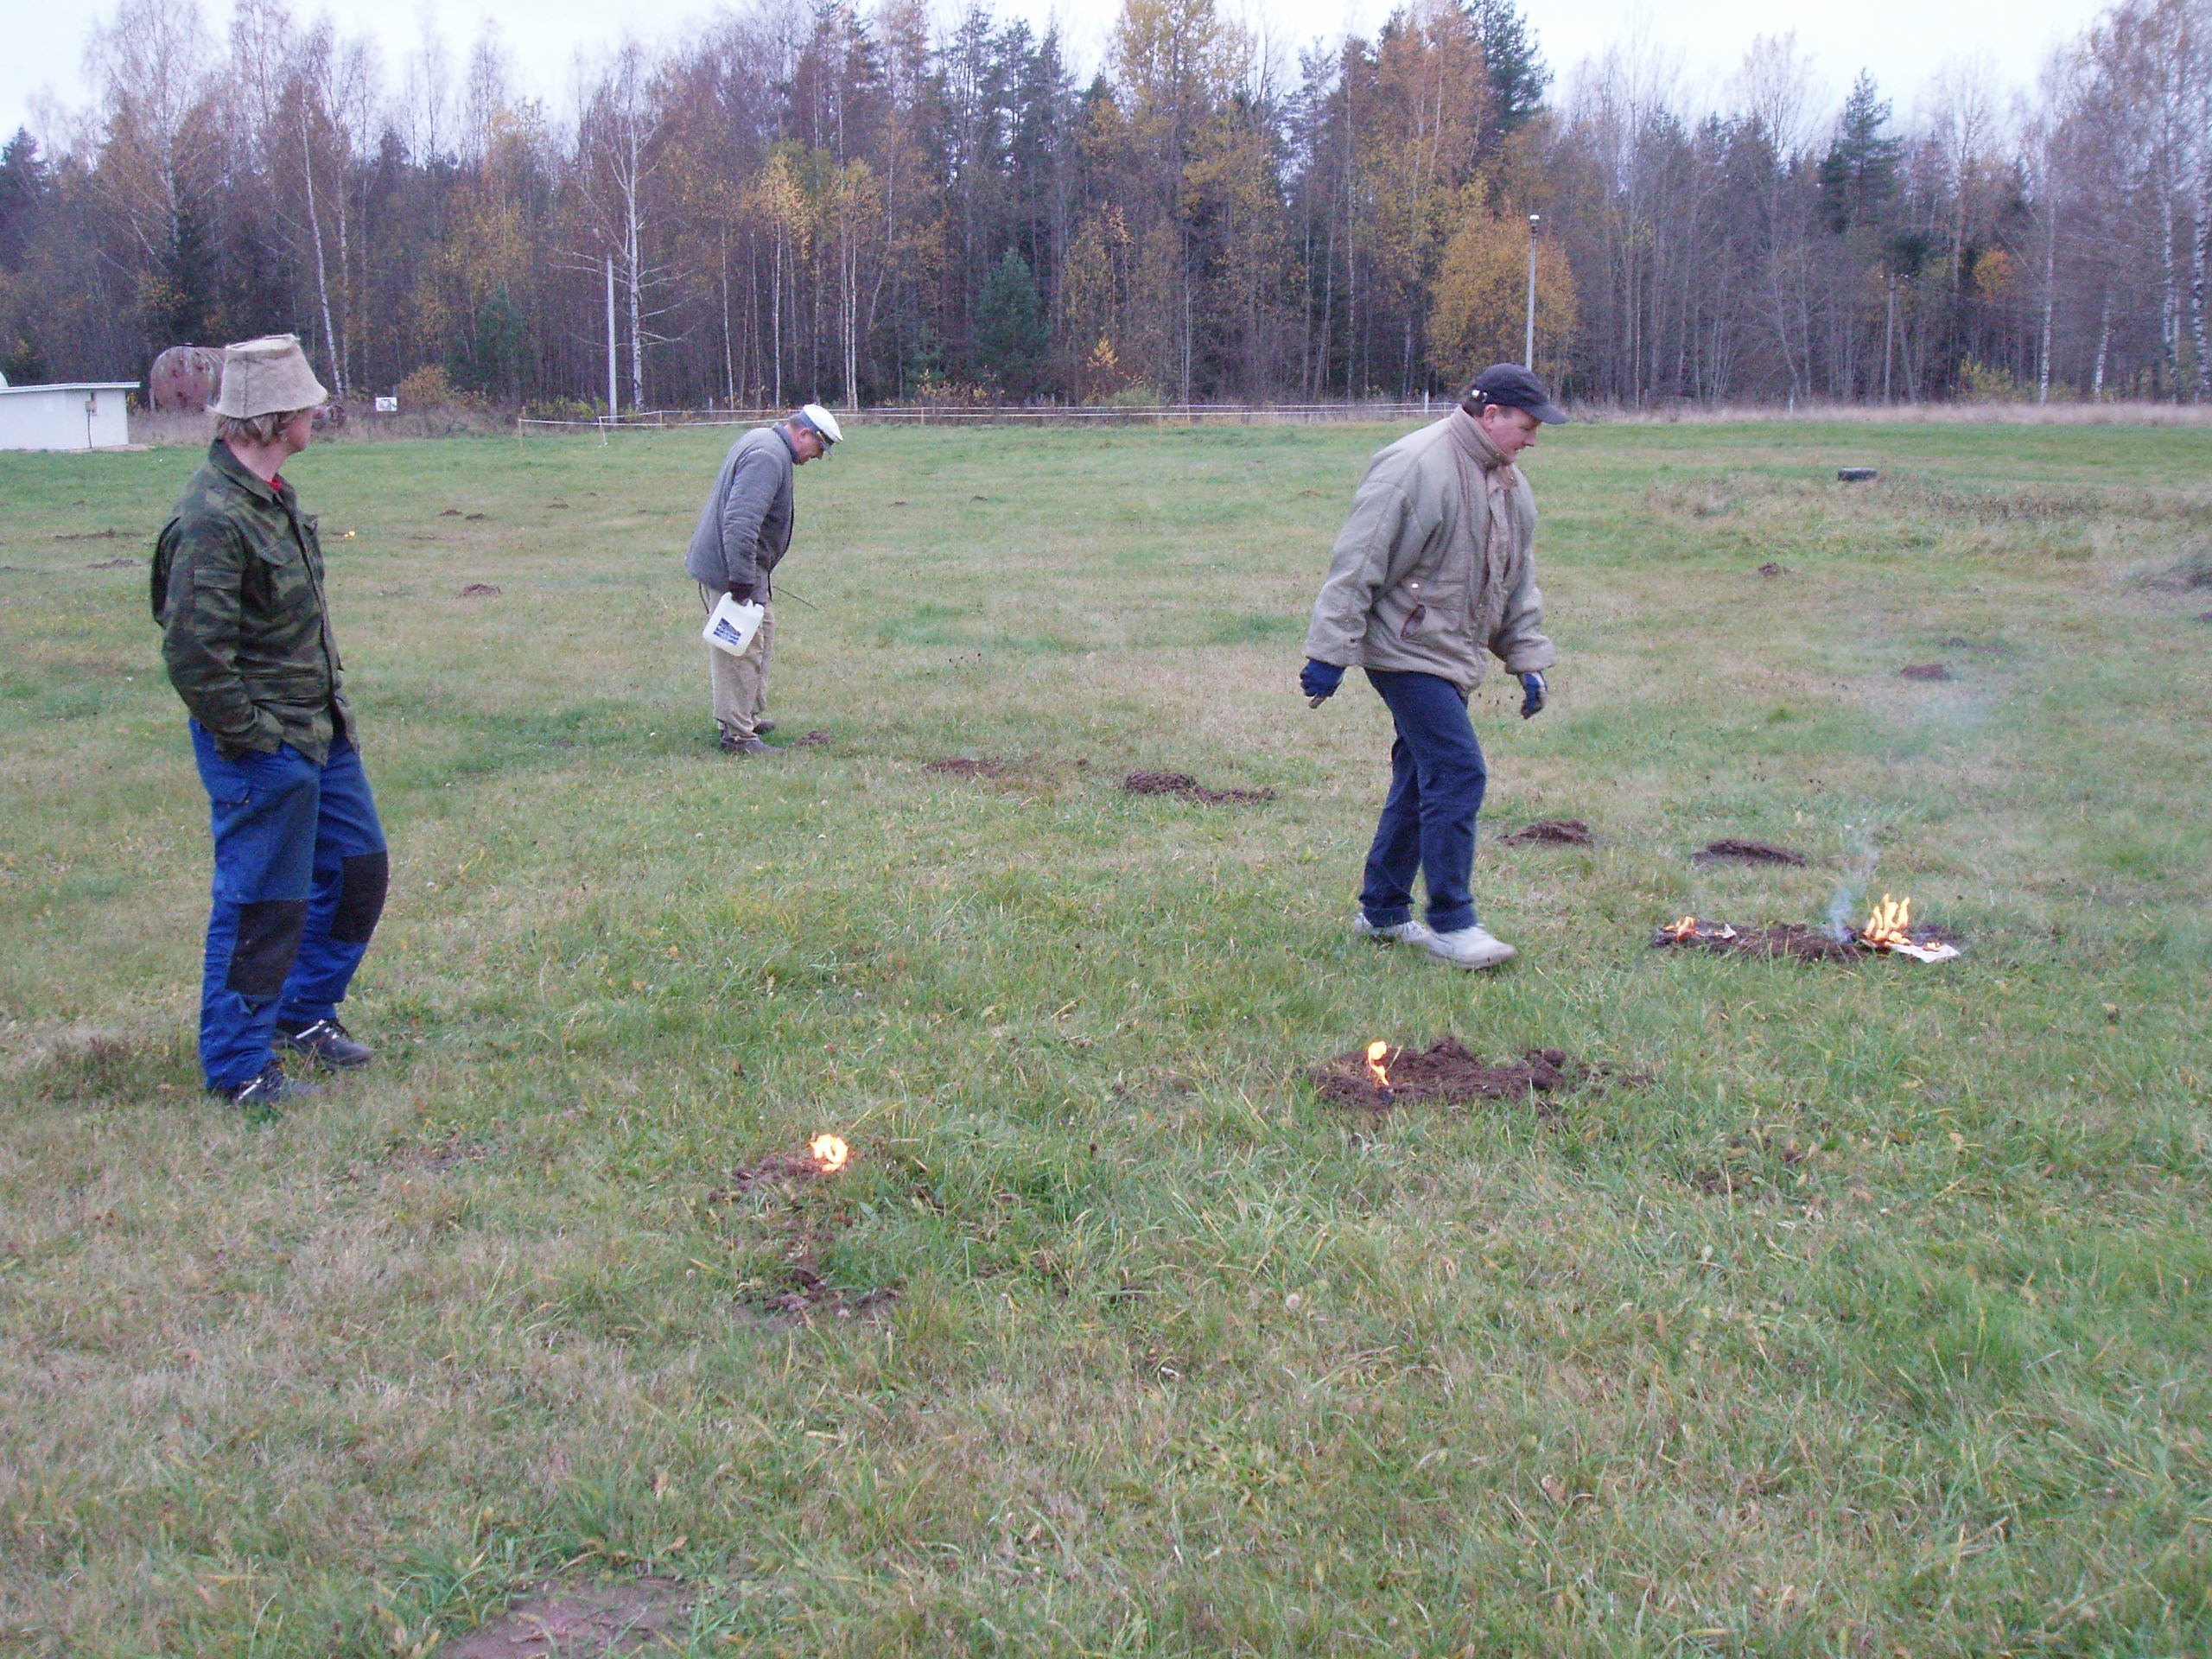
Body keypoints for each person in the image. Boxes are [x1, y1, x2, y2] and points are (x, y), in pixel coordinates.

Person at [154, 334, 389, 1107]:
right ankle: (238, 1067)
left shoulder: (275, 497)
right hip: (265, 747)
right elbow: (194, 656)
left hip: (323, 730)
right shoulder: (213, 516)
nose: (318, 412)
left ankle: (304, 1013)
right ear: (278, 415)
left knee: (358, 872)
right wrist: (259, 740)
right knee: (263, 904)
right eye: (308, 404)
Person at [1299, 363, 1564, 970]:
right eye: (1526, 426)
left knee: (1421, 776)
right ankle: (1452, 922)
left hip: (1454, 653)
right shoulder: (1415, 464)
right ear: (1490, 414)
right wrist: (1328, 653)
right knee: (1458, 769)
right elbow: (1358, 559)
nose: (1532, 439)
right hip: (1402, 649)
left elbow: (1515, 580)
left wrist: (1526, 660)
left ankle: (1384, 912)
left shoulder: (1509, 485)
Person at [684, 403, 842, 753]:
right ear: (804, 434)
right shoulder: (768, 457)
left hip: (745, 568)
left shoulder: (763, 442)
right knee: (740, 648)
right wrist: (741, 581)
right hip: (735, 570)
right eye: (819, 447)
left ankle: (745, 716)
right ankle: (738, 736)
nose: (817, 457)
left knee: (761, 633)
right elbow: (740, 522)